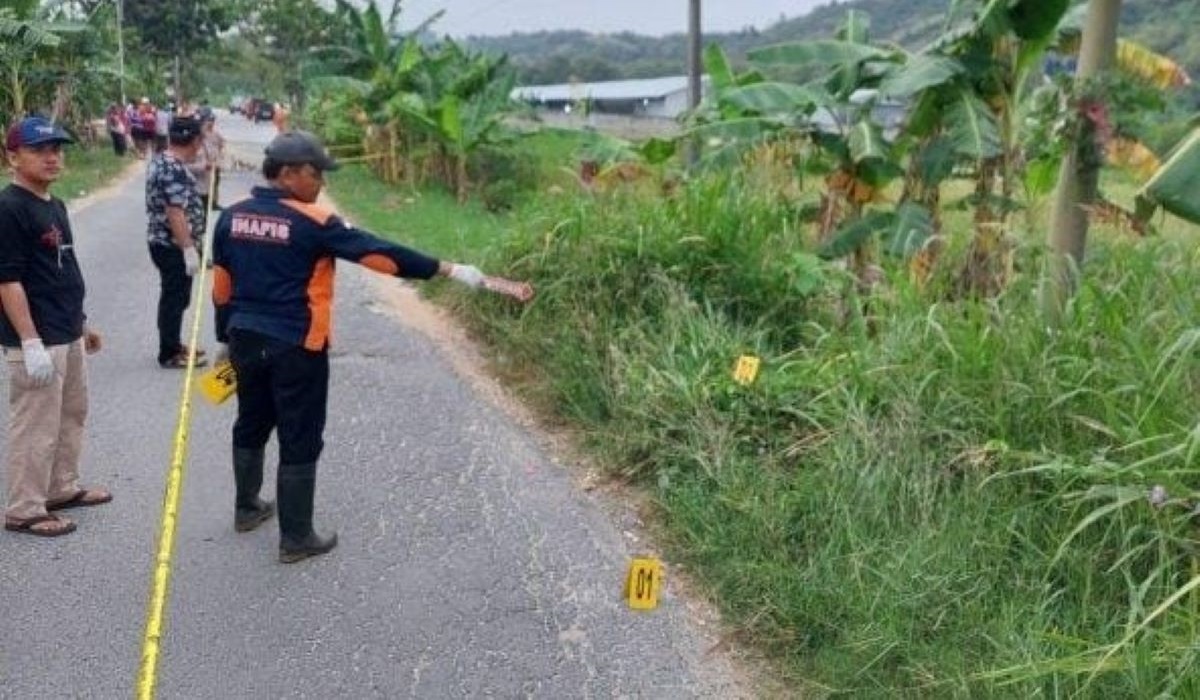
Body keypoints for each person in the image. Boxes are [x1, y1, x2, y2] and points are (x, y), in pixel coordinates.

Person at [211, 130, 502, 563]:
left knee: (251, 421)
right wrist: (449, 269)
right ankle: (296, 538)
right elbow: (379, 255)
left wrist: (225, 339)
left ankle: (247, 509)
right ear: (288, 174)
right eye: (316, 174)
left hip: (244, 340)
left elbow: (221, 286)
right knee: (300, 435)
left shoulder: (231, 217)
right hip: (297, 345)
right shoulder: (314, 223)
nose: (321, 183)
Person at [0, 117, 111, 537]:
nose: (52, 157)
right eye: (39, 150)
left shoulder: (55, 205)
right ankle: (24, 508)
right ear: (13, 157)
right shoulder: (9, 208)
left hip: (66, 329)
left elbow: (62, 270)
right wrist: (29, 341)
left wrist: (82, 323)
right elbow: (7, 280)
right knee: (36, 425)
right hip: (38, 337)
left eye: (57, 149)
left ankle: (61, 487)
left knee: (70, 413)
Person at [145, 114, 207, 369]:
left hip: (163, 242)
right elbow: (175, 211)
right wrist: (188, 249)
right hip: (172, 245)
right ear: (196, 141)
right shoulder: (174, 169)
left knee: (177, 297)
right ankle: (169, 352)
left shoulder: (161, 160)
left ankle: (173, 343)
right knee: (175, 298)